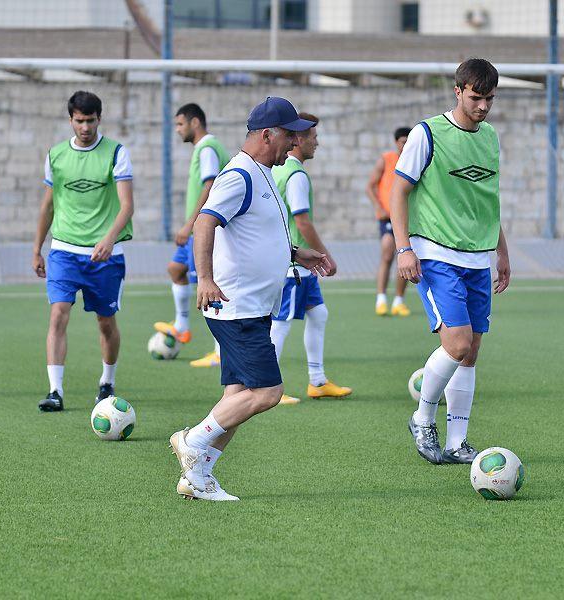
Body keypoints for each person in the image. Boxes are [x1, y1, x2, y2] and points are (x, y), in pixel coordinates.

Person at [169, 97, 330, 501]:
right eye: (290, 134)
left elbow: (256, 234)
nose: (295, 142)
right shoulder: (239, 175)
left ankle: (198, 477)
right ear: (267, 135)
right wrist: (205, 278)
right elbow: (205, 223)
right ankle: (192, 441)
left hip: (253, 306)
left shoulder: (262, 172)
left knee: (237, 397)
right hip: (237, 306)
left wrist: (296, 253)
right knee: (268, 393)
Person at [390, 58, 511, 465]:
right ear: (457, 91)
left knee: (471, 351)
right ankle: (422, 418)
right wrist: (404, 248)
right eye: (476, 97)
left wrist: (501, 250)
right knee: (456, 344)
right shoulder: (427, 134)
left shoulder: (490, 137)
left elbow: (486, 201)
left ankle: (458, 442)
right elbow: (398, 191)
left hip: (478, 256)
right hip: (435, 253)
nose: (483, 106)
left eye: (489, 98)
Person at [32, 91, 134, 412]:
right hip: (63, 251)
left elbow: (127, 206)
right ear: (70, 120)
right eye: (79, 121)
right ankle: (55, 391)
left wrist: (109, 239)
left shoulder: (116, 153)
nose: (85, 127)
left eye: (90, 121)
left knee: (106, 322)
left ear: (99, 119)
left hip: (105, 256)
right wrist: (37, 248)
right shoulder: (56, 155)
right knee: (58, 314)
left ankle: (107, 382)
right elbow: (48, 206)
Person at [269, 112, 351, 405]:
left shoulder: (280, 170)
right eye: (314, 137)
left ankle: (317, 381)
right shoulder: (295, 175)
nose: (317, 142)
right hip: (295, 266)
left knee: (318, 314)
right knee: (280, 323)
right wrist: (325, 257)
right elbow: (302, 222)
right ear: (299, 139)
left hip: (295, 265)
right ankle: (268, 387)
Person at [152, 103, 229, 367]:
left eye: (180, 124)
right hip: (197, 229)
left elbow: (210, 185)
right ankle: (182, 326)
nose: (177, 130)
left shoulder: (207, 148)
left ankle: (220, 351)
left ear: (195, 123)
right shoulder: (204, 148)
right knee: (176, 269)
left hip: (203, 229)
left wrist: (190, 224)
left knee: (207, 286)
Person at [366, 127, 412, 316]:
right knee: (387, 253)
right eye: (403, 142)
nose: (405, 145)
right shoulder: (386, 159)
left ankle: (399, 301)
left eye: (408, 142)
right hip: (387, 217)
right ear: (396, 142)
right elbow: (370, 186)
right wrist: (378, 207)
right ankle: (381, 299)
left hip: (407, 217)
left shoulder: (414, 160)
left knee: (406, 256)